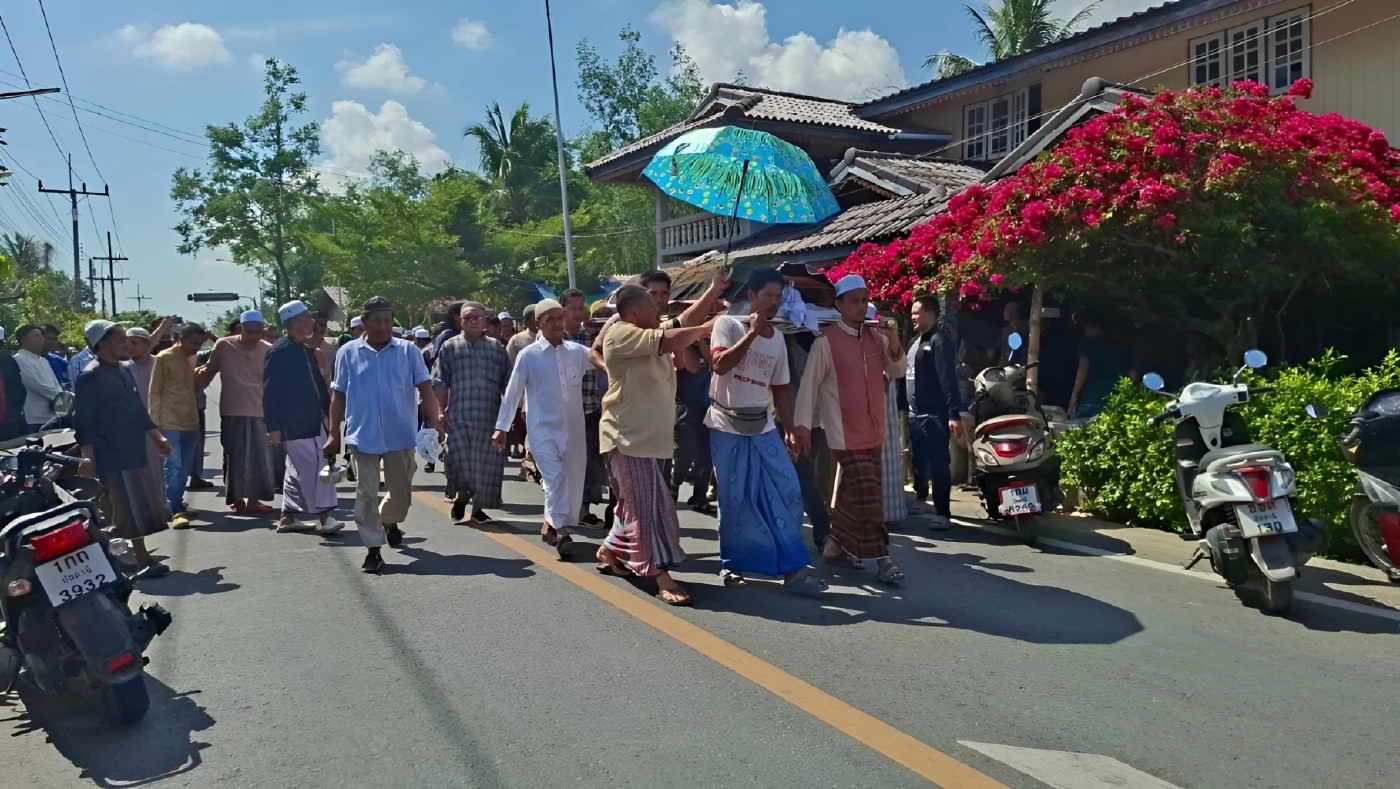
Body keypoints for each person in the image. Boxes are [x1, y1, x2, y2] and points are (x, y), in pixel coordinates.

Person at [706, 270, 825, 596]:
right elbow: (719, 366)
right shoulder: (727, 325)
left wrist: (792, 430)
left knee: (787, 490)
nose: (774, 303)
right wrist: (751, 334)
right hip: (726, 424)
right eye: (768, 296)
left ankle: (792, 569)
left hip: (763, 426)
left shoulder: (778, 340)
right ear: (752, 297)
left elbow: (781, 390)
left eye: (778, 297)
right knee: (733, 498)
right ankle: (732, 566)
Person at [595, 284, 714, 606]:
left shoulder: (648, 331)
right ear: (634, 311)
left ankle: (609, 550)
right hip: (627, 438)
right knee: (649, 509)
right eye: (652, 304)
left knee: (637, 504)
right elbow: (676, 336)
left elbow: (684, 320)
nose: (659, 308)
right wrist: (706, 329)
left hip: (648, 440)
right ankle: (658, 573)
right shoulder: (621, 333)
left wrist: (717, 287)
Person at [791, 275, 907, 586]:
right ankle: (884, 560)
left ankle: (833, 545)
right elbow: (808, 388)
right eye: (853, 300)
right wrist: (800, 428)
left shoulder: (877, 338)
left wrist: (893, 338)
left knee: (852, 493)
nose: (860, 305)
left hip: (875, 429)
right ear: (838, 305)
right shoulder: (825, 342)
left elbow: (897, 370)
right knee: (869, 494)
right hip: (843, 433)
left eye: (864, 299)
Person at [326, 297, 444, 573]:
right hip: (362, 434)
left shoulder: (407, 351)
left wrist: (435, 421)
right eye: (376, 321)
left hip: (400, 434)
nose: (382, 326)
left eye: (387, 321)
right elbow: (338, 395)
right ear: (364, 322)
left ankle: (389, 521)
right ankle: (373, 549)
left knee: (401, 494)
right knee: (366, 492)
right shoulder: (348, 352)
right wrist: (334, 435)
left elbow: (426, 387)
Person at [491, 299, 590, 559]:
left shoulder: (578, 352)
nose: (557, 324)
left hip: (574, 429)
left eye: (560, 318)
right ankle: (561, 531)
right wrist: (501, 427)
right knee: (555, 478)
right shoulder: (529, 355)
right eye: (550, 320)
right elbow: (512, 393)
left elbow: (605, 360)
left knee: (571, 478)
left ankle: (550, 524)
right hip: (541, 430)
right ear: (539, 324)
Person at [74, 320, 173, 580]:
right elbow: (85, 423)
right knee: (127, 506)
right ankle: (142, 559)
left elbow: (138, 409)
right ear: (103, 345)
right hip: (112, 454)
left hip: (134, 448)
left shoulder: (123, 371)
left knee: (125, 507)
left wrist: (156, 436)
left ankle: (101, 553)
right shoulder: (90, 377)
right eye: (120, 340)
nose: (126, 345)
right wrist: (87, 456)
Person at [266, 301, 343, 535]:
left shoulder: (303, 348)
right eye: (308, 317)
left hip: (313, 419)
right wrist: (274, 425)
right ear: (296, 322)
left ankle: (287, 517)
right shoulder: (280, 351)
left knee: (295, 468)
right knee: (316, 468)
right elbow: (270, 390)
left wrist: (329, 414)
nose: (312, 321)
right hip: (295, 423)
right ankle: (324, 517)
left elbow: (318, 385)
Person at [434, 301, 510, 524]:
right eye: (469, 318)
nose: (474, 321)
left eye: (479, 317)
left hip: (489, 417)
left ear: (486, 321)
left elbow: (508, 383)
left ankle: (477, 508)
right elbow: (439, 381)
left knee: (485, 464)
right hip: (459, 415)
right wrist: (440, 409)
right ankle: (462, 495)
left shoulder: (496, 348)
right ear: (461, 322)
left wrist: (508, 416)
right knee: (456, 459)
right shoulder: (449, 346)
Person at [196, 310, 276, 514]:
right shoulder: (224, 344)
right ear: (240, 328)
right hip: (232, 409)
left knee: (259, 457)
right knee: (235, 456)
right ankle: (237, 498)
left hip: (260, 409)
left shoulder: (268, 349)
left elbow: (276, 381)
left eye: (258, 332)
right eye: (250, 332)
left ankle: (255, 501)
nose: (254, 336)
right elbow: (210, 369)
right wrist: (190, 390)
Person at [905, 295, 965, 530]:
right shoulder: (914, 341)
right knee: (919, 460)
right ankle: (921, 498)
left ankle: (943, 511)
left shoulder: (939, 342)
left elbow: (947, 379)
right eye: (912, 312)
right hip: (914, 414)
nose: (913, 316)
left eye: (917, 312)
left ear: (931, 314)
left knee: (939, 463)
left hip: (935, 414)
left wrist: (953, 413)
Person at [148, 323, 208, 528]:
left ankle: (177, 503)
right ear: (180, 337)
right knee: (173, 465)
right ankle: (170, 510)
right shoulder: (164, 357)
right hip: (169, 420)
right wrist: (155, 423)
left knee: (184, 467)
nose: (197, 348)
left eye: (200, 344)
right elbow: (154, 391)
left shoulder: (192, 358)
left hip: (190, 419)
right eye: (194, 343)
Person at [561, 289, 605, 526]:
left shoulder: (591, 338)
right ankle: (564, 508)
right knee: (566, 461)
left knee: (590, 461)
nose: (578, 313)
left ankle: (584, 509)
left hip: (589, 408)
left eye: (581, 309)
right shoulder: (557, 339)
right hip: (564, 411)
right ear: (563, 310)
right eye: (573, 308)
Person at [1069, 313, 1137, 420]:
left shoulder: (1087, 344)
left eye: (1087, 329)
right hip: (1114, 400)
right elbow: (1133, 376)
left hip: (1091, 399)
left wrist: (1074, 394)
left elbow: (1083, 370)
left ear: (1096, 328)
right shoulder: (1122, 346)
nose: (1084, 332)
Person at [13, 324, 64, 432]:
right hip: (34, 419)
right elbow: (37, 386)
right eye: (36, 336)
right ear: (24, 340)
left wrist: (62, 397)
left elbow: (55, 384)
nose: (42, 339)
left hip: (52, 417)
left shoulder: (43, 360)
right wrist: (62, 397)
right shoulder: (19, 359)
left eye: (41, 335)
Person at [122, 327, 158, 407]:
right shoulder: (122, 368)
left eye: (134, 343)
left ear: (147, 344)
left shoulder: (159, 364)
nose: (129, 347)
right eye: (127, 344)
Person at [40, 325, 69, 389]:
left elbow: (70, 371)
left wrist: (68, 354)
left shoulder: (56, 360)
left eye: (55, 339)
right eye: (49, 339)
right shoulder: (31, 360)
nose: (54, 342)